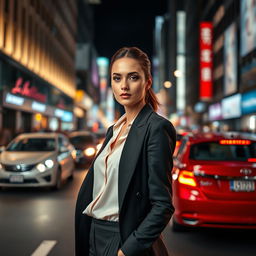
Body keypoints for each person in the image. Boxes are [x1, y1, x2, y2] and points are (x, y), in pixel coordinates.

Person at [75, 46, 176, 256]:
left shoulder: (156, 128)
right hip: (94, 234)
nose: (124, 86)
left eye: (133, 77)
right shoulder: (114, 129)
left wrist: (127, 250)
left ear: (147, 82)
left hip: (122, 237)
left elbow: (162, 205)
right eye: (117, 78)